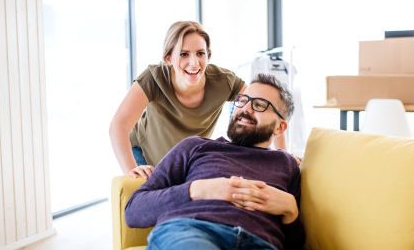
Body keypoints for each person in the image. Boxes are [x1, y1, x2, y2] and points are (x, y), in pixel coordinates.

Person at [125, 74, 328, 250]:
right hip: (191, 234)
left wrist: (290, 209)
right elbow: (134, 210)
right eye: (242, 100)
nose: (245, 109)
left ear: (279, 128)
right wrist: (198, 189)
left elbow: (292, 248)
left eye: (260, 105)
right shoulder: (195, 147)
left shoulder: (287, 165)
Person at [109, 21, 291, 180]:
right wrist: (131, 170)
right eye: (183, 54)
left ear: (208, 55)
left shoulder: (223, 81)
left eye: (200, 53)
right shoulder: (153, 78)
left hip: (188, 159)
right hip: (145, 154)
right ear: (168, 58)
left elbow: (267, 107)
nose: (194, 63)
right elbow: (118, 126)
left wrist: (282, 156)